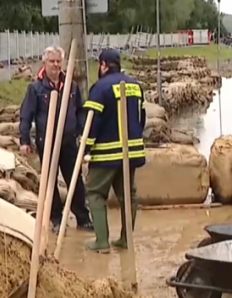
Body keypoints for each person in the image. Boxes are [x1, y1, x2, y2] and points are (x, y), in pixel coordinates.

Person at [19, 46, 93, 234]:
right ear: (45, 62)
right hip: (47, 141)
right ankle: (57, 218)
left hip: (68, 141)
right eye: (52, 61)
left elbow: (80, 110)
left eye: (59, 61)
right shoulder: (36, 89)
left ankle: (83, 218)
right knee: (50, 181)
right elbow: (26, 115)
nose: (56, 65)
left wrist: (79, 129)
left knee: (75, 179)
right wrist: (24, 140)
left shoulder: (71, 87)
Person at [82, 49, 146, 253]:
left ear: (103, 65)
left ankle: (102, 242)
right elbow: (141, 118)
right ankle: (126, 239)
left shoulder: (100, 88)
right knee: (128, 195)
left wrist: (85, 148)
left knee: (94, 193)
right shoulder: (136, 86)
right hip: (132, 151)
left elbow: (92, 124)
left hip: (106, 154)